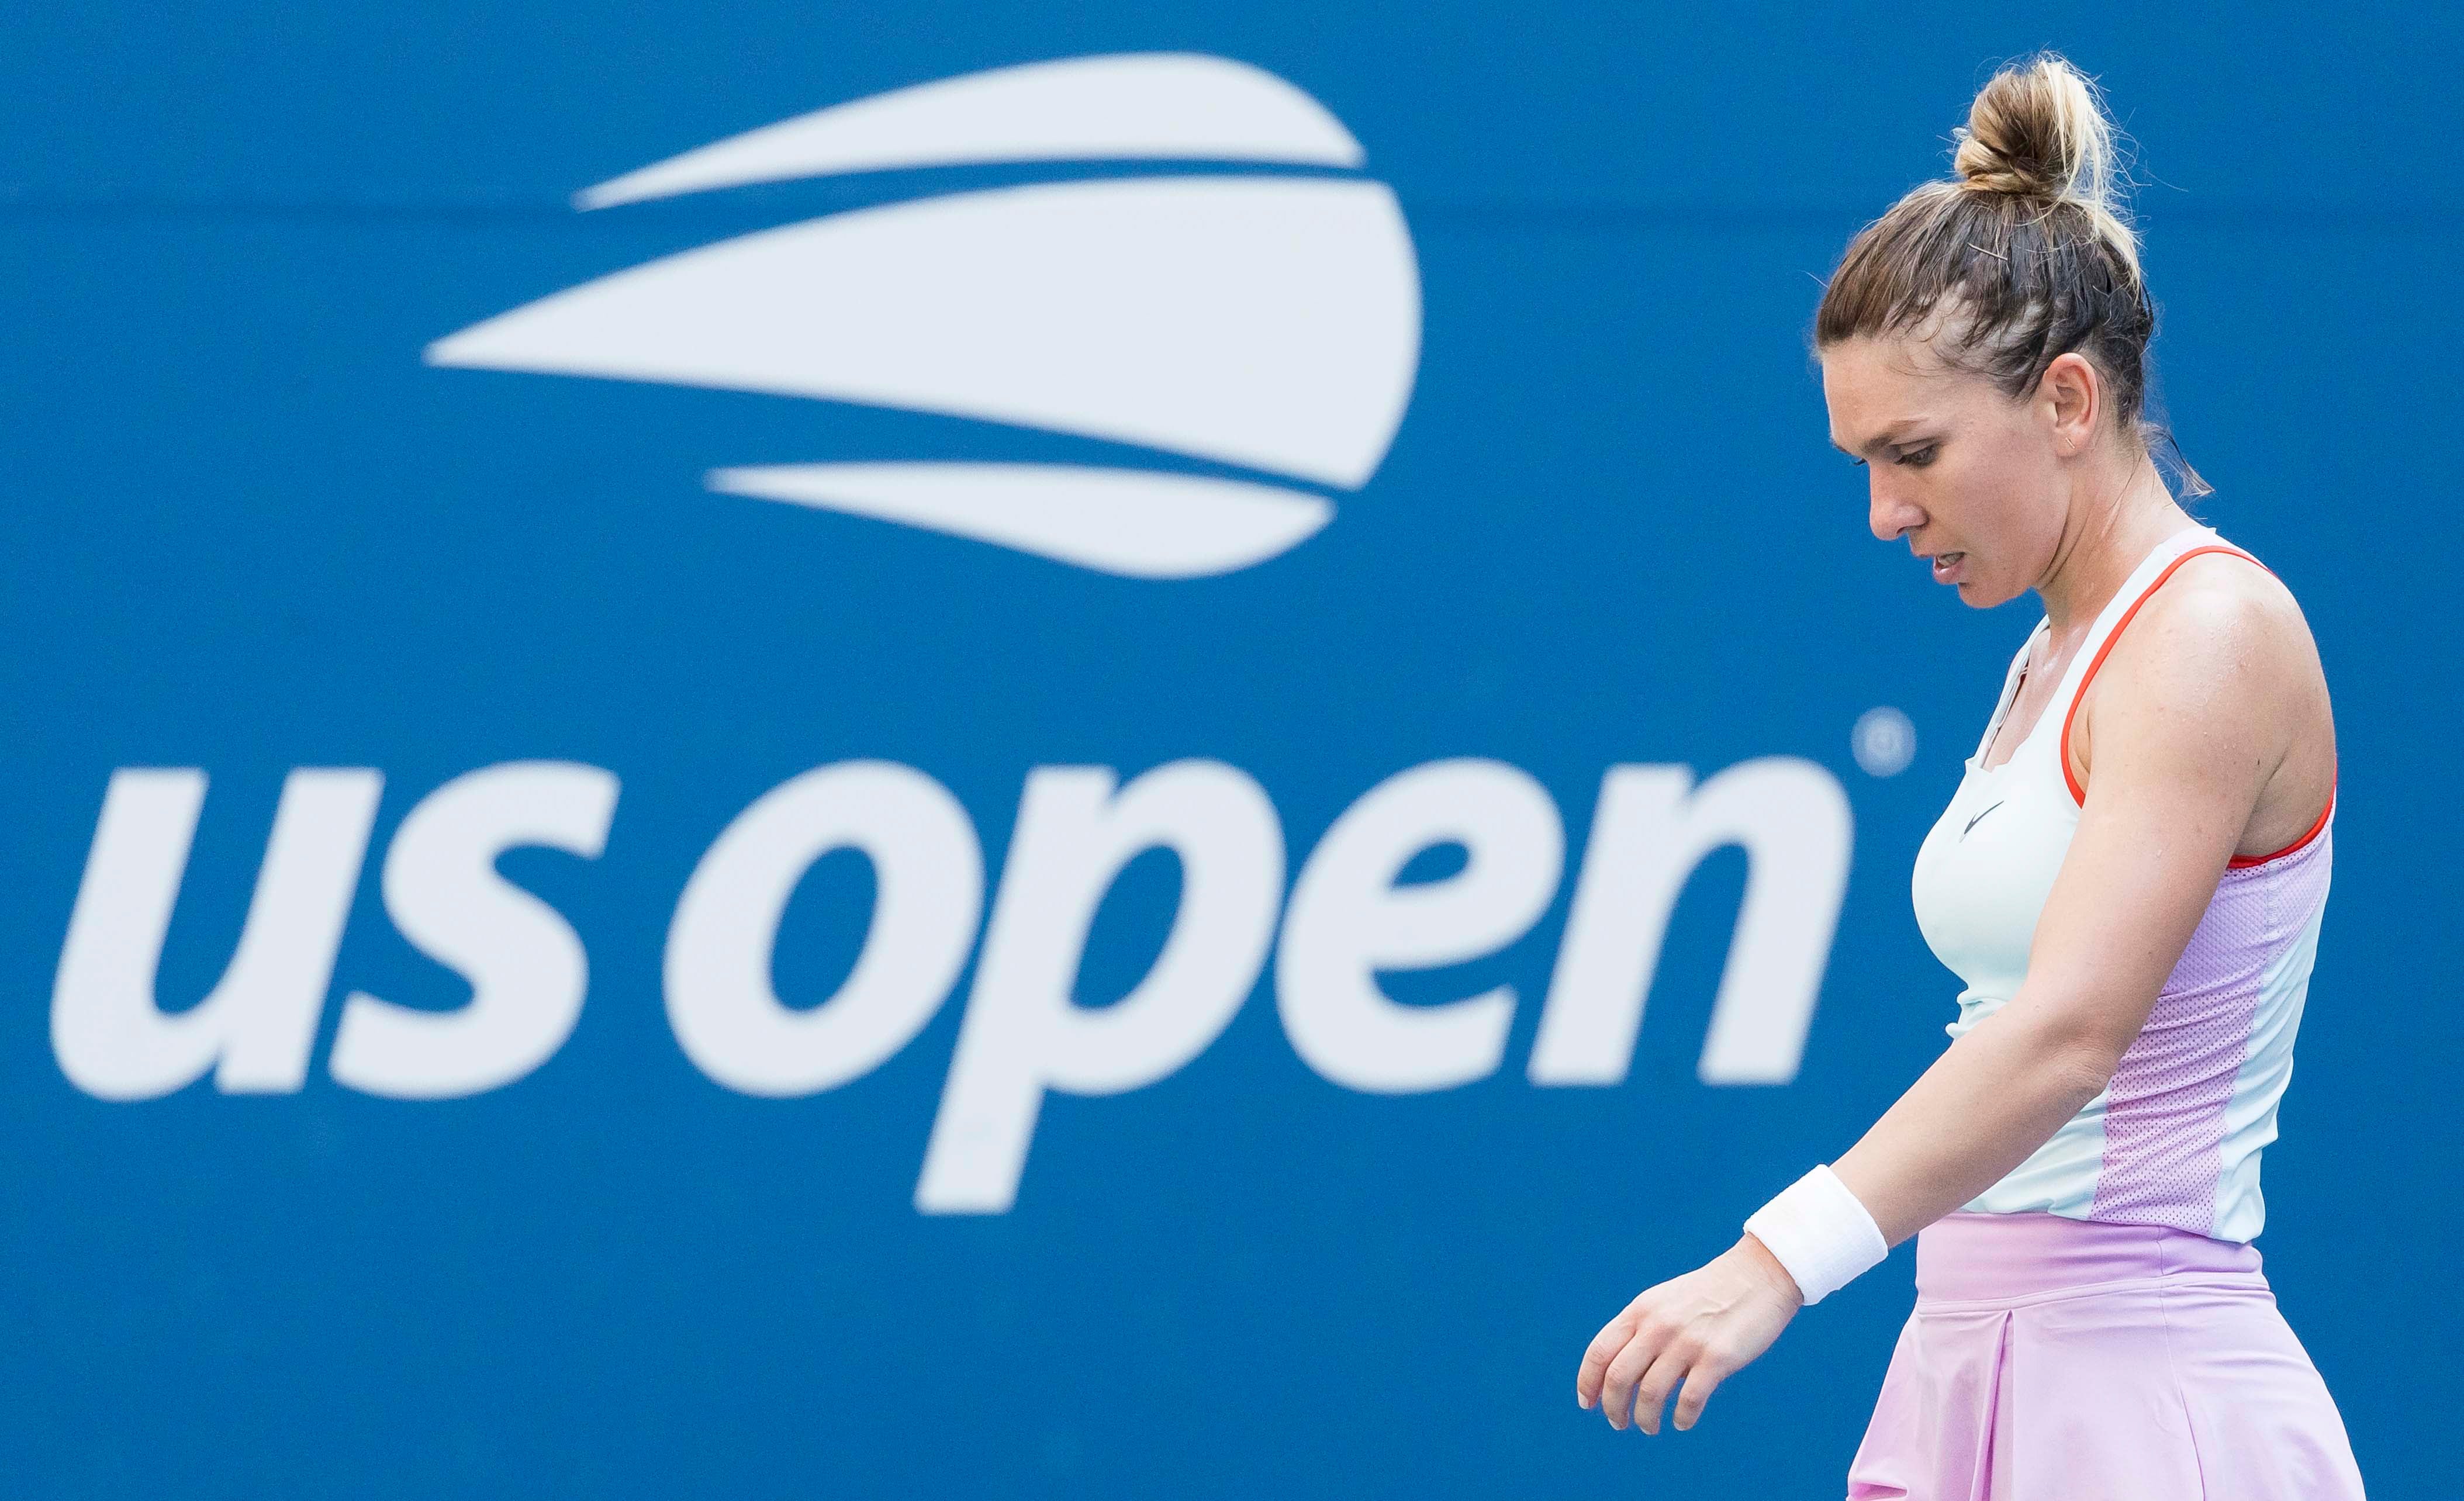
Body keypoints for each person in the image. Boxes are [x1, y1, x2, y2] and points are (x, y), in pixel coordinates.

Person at [1571, 52, 2366, 1499]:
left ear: (2066, 401)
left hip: (2142, 1394)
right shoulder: (2049, 654)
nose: (1883, 515)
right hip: (1976, 1354)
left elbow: (2068, 1033)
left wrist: (1773, 1264)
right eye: (1860, 464)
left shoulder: (2205, 634)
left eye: (1913, 453)